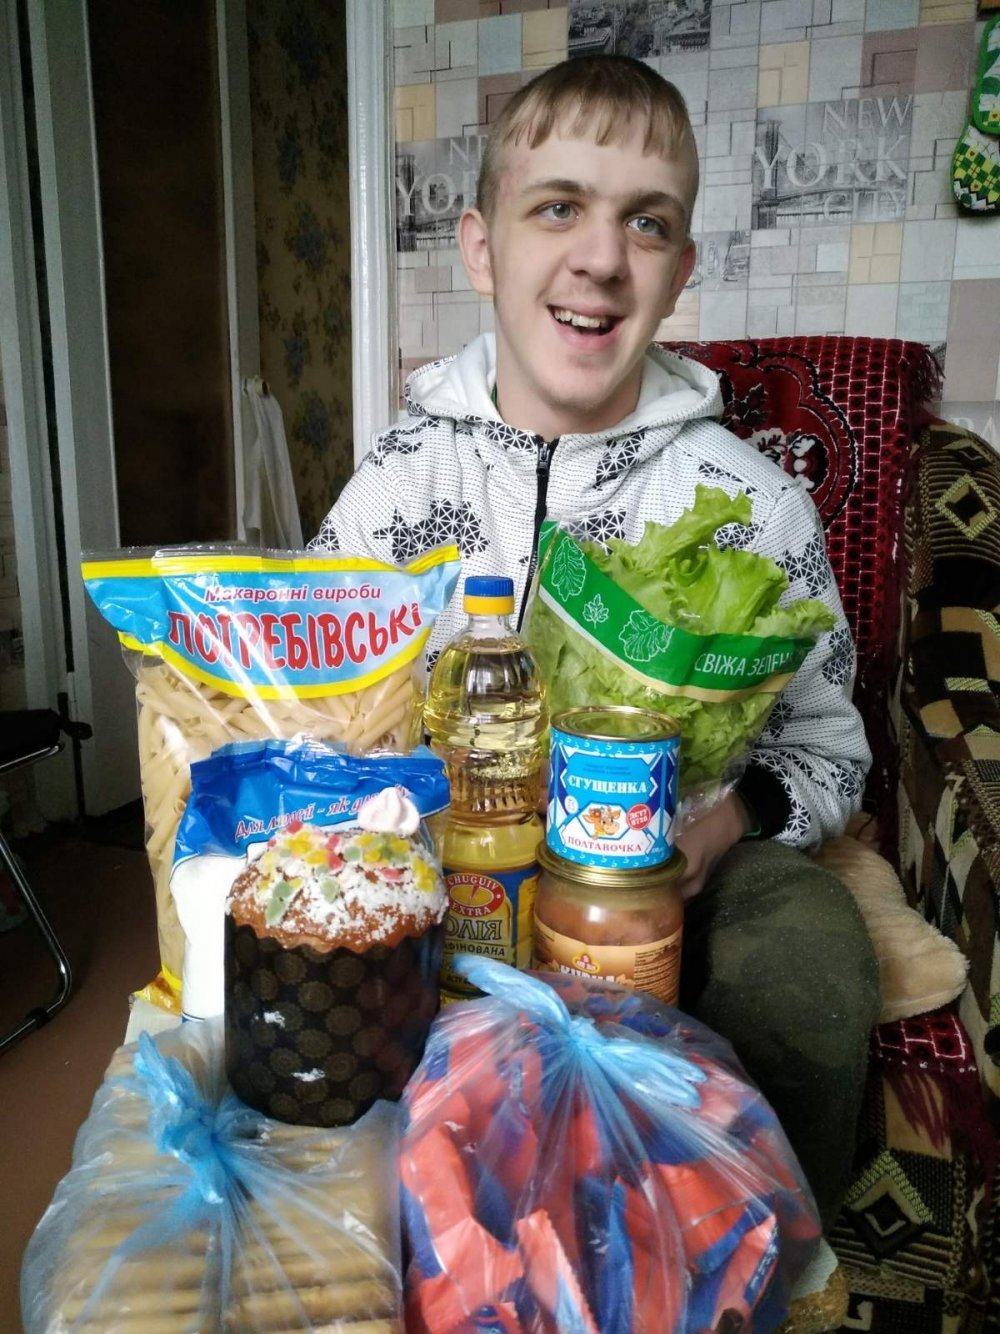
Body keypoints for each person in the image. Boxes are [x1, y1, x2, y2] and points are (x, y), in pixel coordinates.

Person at [311, 54, 879, 1231]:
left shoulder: (756, 505)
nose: (602, 257)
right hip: (436, 868)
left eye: (647, 222)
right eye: (557, 206)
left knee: (806, 952)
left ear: (679, 273)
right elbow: (316, 707)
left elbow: (829, 749)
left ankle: (760, 1267)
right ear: (482, 248)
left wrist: (712, 832)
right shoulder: (394, 483)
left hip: (667, 883)